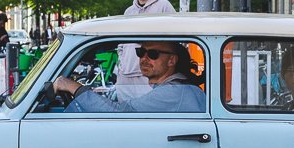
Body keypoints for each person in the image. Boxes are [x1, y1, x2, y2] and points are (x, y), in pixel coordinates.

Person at [58, 41, 206, 114]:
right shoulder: (179, 88)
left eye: (153, 54)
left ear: (172, 60)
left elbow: (120, 113)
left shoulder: (173, 92)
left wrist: (72, 87)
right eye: (141, 52)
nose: (144, 59)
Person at [115, 0, 177, 87]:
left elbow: (176, 39)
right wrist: (122, 63)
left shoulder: (164, 6)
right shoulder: (129, 12)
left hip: (150, 76)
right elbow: (121, 43)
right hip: (126, 76)